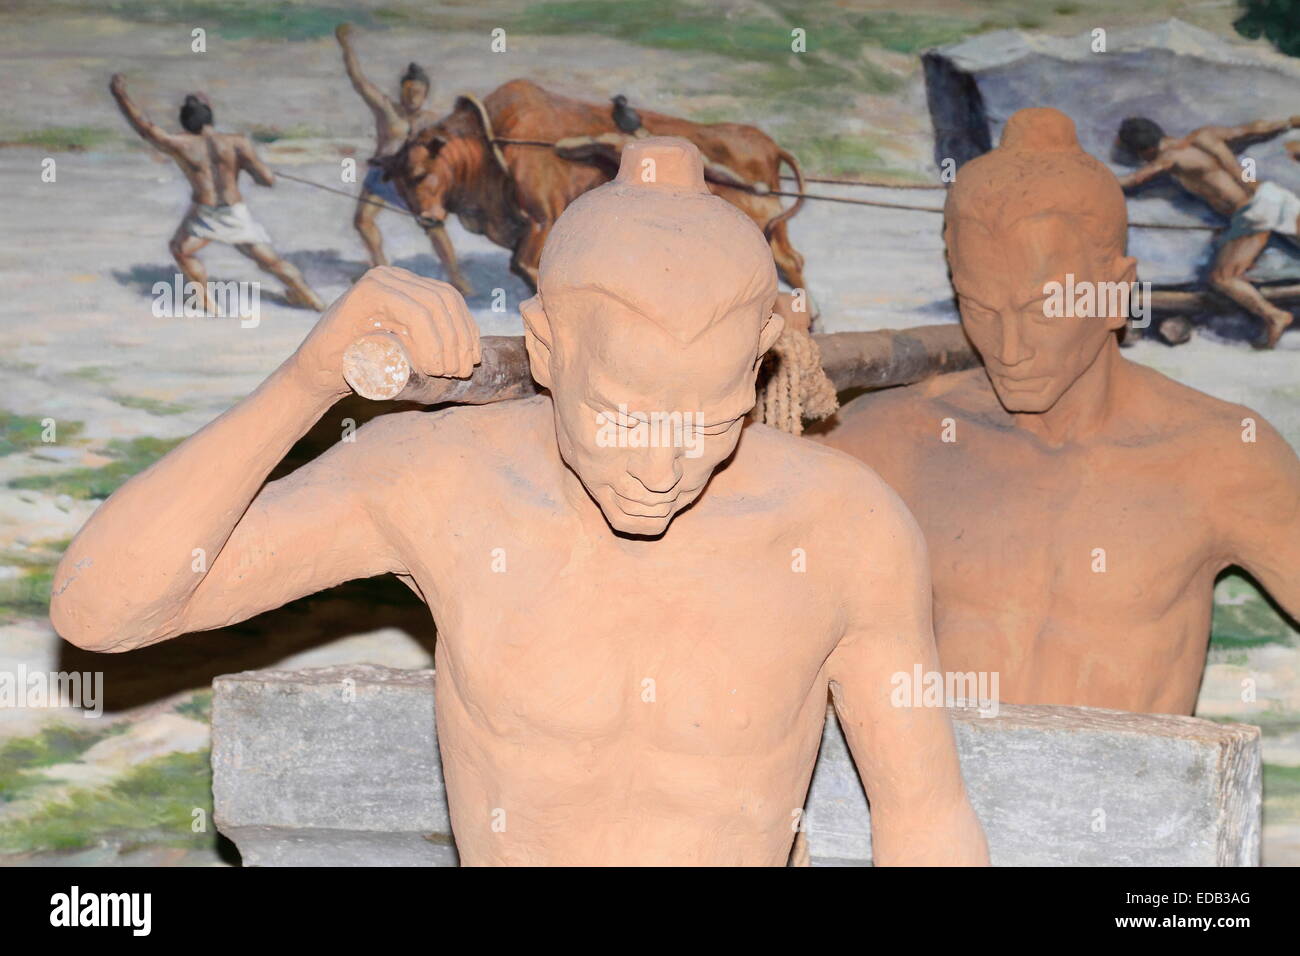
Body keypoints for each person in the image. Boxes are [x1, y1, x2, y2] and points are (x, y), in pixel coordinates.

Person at [51, 139, 986, 866]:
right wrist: (304, 382)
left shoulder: (842, 530)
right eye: (620, 415)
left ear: (761, 368)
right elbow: (104, 608)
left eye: (712, 419)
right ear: (544, 350)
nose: (662, 468)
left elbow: (924, 819)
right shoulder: (440, 482)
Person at [815, 109, 1300, 716]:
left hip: (1134, 804)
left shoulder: (1220, 458)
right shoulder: (887, 441)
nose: (1009, 350)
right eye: (981, 307)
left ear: (1118, 294)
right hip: (928, 809)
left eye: (1043, 310)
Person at [109, 74, 325, 313]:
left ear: (185, 123)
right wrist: (250, 167)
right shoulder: (237, 142)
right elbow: (267, 180)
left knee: (181, 250)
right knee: (269, 261)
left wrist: (120, 96)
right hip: (234, 210)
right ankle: (309, 297)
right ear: (210, 118)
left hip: (205, 211)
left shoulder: (181, 144)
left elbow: (145, 128)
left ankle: (206, 301)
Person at [1117, 113, 1300, 347]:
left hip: (1253, 212)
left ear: (1143, 151)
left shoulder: (1169, 158)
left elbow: (1132, 180)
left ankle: (1275, 315)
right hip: (1273, 195)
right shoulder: (1206, 135)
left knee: (1223, 279)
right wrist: (1288, 122)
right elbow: (1253, 128)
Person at [335, 23, 472, 295]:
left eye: (417, 92)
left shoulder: (431, 121)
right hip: (382, 176)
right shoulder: (387, 109)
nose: (412, 97)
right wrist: (346, 46)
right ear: (401, 91)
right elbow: (358, 81)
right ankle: (380, 268)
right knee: (362, 221)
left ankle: (456, 277)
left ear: (425, 93)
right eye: (407, 91)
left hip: (413, 181)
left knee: (433, 227)